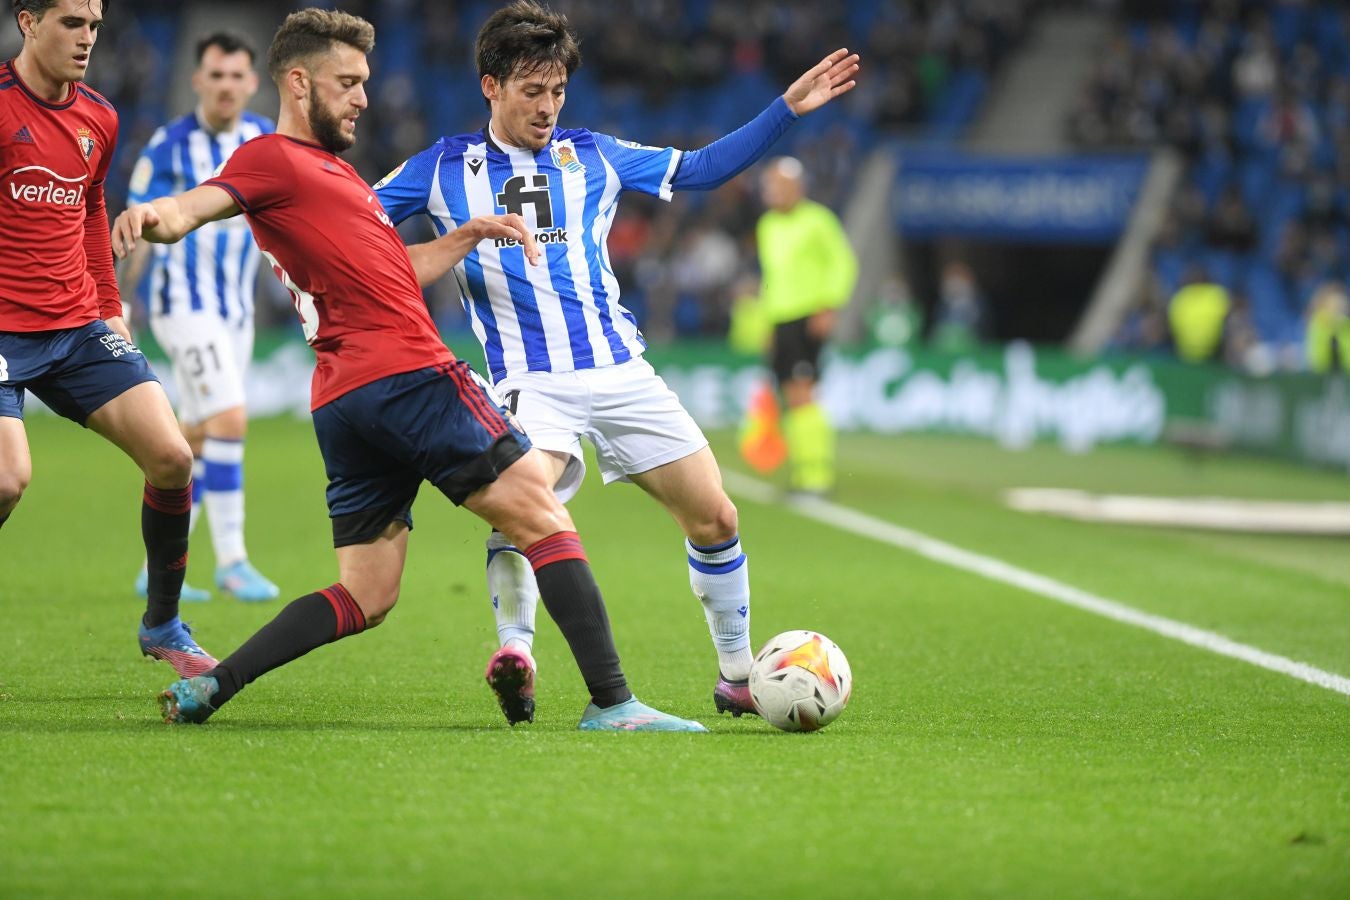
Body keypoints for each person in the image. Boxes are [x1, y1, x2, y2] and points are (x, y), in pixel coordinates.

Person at [112, 7, 705, 732]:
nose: (365, 97)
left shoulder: (334, 175)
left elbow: (392, 271)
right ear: (299, 85)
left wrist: (464, 235)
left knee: (366, 593)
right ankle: (614, 703)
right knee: (543, 513)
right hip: (409, 373)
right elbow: (203, 202)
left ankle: (214, 686)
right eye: (350, 82)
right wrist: (156, 216)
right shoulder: (274, 158)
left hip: (345, 397)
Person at [373, 0, 859, 723]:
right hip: (529, 383)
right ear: (490, 85)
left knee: (717, 516)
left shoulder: (591, 153)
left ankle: (734, 675)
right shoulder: (441, 169)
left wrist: (786, 109)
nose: (547, 107)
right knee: (523, 506)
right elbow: (356, 239)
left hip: (622, 373)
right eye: (531, 91)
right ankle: (518, 652)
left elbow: (699, 170)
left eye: (558, 90)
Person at [0, 0, 215, 677]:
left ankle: (164, 626)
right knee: (7, 481)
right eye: (72, 23)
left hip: (76, 325)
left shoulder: (100, 115)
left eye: (94, 25)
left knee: (173, 458)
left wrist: (110, 302)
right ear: (29, 23)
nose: (88, 38)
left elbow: (92, 207)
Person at [121, 31, 280, 604]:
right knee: (231, 418)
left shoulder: (264, 139)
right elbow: (137, 228)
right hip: (180, 307)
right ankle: (233, 561)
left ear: (252, 83)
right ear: (198, 81)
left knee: (191, 440)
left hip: (237, 313)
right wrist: (118, 304)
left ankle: (156, 560)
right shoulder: (168, 146)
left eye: (237, 76)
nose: (227, 86)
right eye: (216, 75)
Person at [753, 156, 858, 496]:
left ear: (797, 187)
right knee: (789, 395)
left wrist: (829, 305)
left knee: (803, 393)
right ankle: (802, 471)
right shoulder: (767, 225)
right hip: (780, 319)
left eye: (778, 185)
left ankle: (817, 474)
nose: (772, 192)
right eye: (769, 186)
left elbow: (842, 263)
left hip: (806, 316)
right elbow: (771, 279)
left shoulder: (818, 220)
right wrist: (767, 322)